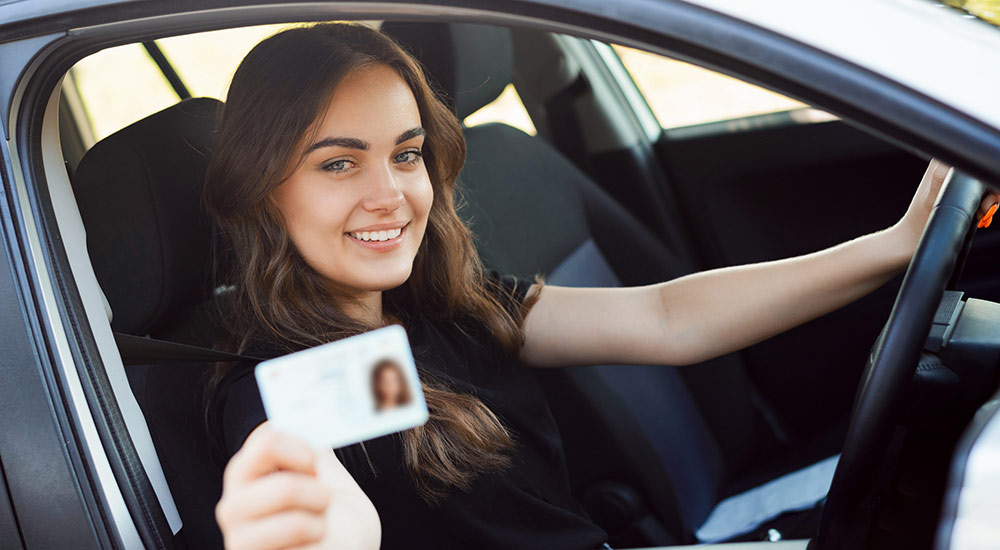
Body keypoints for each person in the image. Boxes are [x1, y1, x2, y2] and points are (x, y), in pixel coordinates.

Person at [206, 22, 999, 550]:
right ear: (261, 186)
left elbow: (666, 318)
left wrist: (896, 246)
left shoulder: (445, 309)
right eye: (338, 163)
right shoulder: (288, 388)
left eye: (406, 154)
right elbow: (318, 505)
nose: (390, 193)